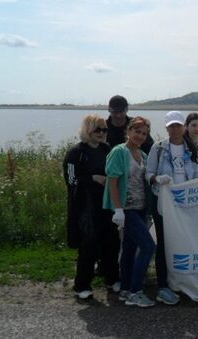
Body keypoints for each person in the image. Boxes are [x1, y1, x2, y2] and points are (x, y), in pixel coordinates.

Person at [145, 111, 198, 305]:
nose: (175, 129)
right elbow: (148, 173)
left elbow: (196, 176)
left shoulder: (192, 148)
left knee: (184, 241)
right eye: (171, 126)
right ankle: (163, 286)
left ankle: (183, 280)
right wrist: (156, 179)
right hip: (163, 204)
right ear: (166, 128)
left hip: (185, 205)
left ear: (183, 127)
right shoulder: (158, 148)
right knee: (163, 243)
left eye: (178, 125)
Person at [63, 115, 120, 299]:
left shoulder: (107, 149)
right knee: (88, 245)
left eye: (104, 130)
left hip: (106, 204)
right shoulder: (76, 152)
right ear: (88, 130)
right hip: (85, 207)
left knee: (111, 242)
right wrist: (93, 178)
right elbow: (71, 181)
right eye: (98, 130)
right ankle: (82, 285)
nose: (102, 133)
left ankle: (111, 279)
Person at [103, 116, 156, 308]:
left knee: (130, 249)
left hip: (141, 209)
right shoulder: (119, 152)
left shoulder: (142, 155)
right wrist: (118, 210)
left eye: (144, 133)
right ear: (128, 131)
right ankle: (136, 292)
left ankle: (125, 289)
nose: (140, 136)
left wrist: (158, 179)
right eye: (137, 131)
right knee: (149, 247)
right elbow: (113, 181)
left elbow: (147, 178)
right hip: (127, 209)